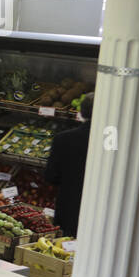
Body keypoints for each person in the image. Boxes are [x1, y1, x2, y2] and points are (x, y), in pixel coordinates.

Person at [45, 92, 94, 236]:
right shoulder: (113, 143)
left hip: (68, 208)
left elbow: (51, 176)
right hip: (98, 211)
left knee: (64, 248)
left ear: (82, 112)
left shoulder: (63, 139)